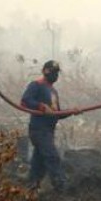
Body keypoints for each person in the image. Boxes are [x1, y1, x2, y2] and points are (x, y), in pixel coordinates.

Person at [21, 60, 80, 193]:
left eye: (57, 73)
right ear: (45, 71)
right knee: (52, 156)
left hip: (48, 130)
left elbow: (56, 114)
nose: (55, 75)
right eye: (53, 72)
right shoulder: (36, 85)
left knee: (39, 161)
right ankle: (61, 186)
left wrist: (71, 111)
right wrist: (41, 106)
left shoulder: (53, 91)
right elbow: (25, 101)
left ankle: (31, 187)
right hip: (38, 130)